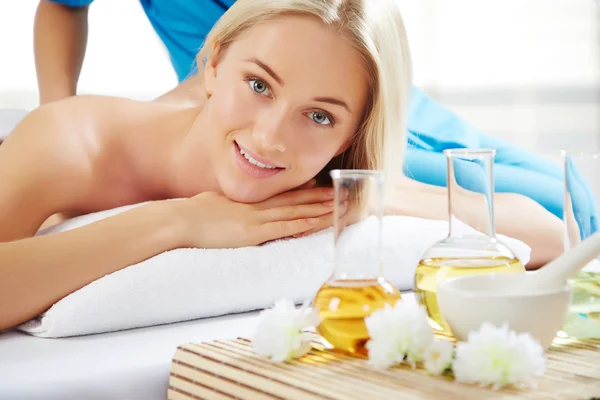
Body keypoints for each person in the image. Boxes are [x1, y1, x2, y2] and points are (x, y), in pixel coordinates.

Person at [1, 0, 562, 332]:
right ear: (214, 63)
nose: (269, 139)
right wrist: (180, 223)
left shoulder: (324, 171)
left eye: (318, 117)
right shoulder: (76, 141)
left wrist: (372, 193)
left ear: (350, 136)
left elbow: (548, 234)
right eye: (258, 84)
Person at [33, 0, 581, 222]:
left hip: (355, 106)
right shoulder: (94, 143)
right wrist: (58, 118)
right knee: (566, 206)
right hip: (256, 110)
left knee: (569, 195)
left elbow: (347, 21)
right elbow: (62, 5)